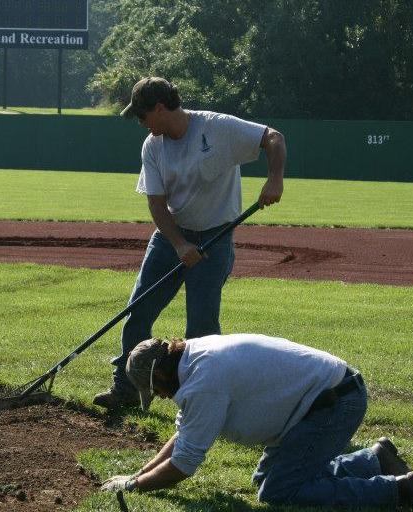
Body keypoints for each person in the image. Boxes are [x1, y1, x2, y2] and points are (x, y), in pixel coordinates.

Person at [93, 77, 287, 408]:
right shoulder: (153, 146)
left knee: (201, 327)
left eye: (142, 116)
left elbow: (273, 137)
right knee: (137, 314)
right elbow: (156, 203)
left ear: (159, 108)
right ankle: (125, 389)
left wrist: (275, 178)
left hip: (216, 238)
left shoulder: (216, 128)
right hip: (170, 238)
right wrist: (179, 243)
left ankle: (202, 398)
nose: (141, 124)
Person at [99, 334, 413, 507]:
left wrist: (134, 486)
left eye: (154, 389)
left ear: (159, 373)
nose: (159, 397)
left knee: (278, 492)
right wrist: (140, 473)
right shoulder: (195, 356)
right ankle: (374, 460)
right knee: (265, 480)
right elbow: (185, 433)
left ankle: (396, 490)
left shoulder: (203, 382)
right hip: (326, 397)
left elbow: (184, 464)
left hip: (334, 404)